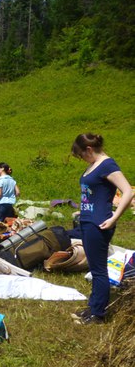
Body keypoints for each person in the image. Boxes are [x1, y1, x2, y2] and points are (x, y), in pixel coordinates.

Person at [70, 133, 133, 325]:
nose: (81, 158)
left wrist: (114, 218)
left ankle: (98, 314)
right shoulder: (93, 165)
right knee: (96, 267)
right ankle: (93, 306)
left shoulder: (108, 165)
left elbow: (128, 190)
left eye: (81, 154)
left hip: (99, 223)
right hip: (88, 221)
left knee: (98, 270)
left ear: (89, 149)